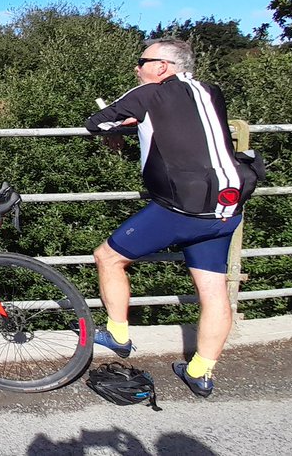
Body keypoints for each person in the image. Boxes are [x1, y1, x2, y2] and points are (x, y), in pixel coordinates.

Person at [86, 38, 245, 398]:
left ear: (162, 67)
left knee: (108, 257)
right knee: (213, 290)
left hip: (181, 206)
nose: (136, 68)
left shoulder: (149, 94)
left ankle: (118, 334)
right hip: (226, 204)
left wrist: (122, 125)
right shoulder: (210, 91)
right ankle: (201, 373)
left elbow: (96, 122)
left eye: (142, 61)